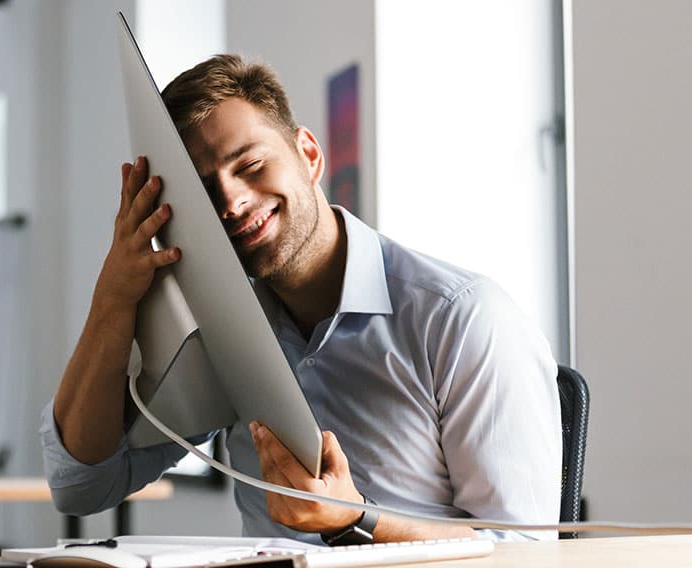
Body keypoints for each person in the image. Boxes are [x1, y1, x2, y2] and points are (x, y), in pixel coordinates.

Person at [42, 55, 561, 544]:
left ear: (309, 155)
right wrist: (111, 302)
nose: (230, 201)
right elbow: (83, 484)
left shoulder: (461, 318)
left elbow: (525, 551)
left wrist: (357, 520)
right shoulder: (218, 334)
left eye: (249, 164)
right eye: (203, 193)